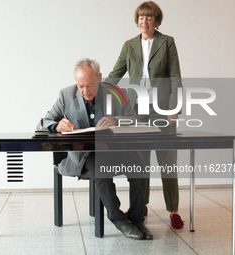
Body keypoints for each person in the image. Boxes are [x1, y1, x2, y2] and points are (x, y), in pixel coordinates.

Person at [42, 58, 153, 240]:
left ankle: (136, 218)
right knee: (101, 169)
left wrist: (116, 121)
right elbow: (44, 121)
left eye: (90, 85)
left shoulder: (116, 93)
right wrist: (56, 126)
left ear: (100, 78)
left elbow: (134, 120)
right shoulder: (65, 95)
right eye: (81, 86)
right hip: (85, 156)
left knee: (139, 166)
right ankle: (119, 219)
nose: (85, 91)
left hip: (115, 151)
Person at [104, 1, 184, 229]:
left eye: (149, 18)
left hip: (162, 110)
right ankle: (142, 205)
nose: (144, 21)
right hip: (137, 111)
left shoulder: (167, 42)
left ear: (156, 21)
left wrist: (174, 108)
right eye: (141, 17)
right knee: (141, 160)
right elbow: (115, 74)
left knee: (167, 161)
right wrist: (94, 89)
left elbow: (175, 77)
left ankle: (174, 210)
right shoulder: (129, 45)